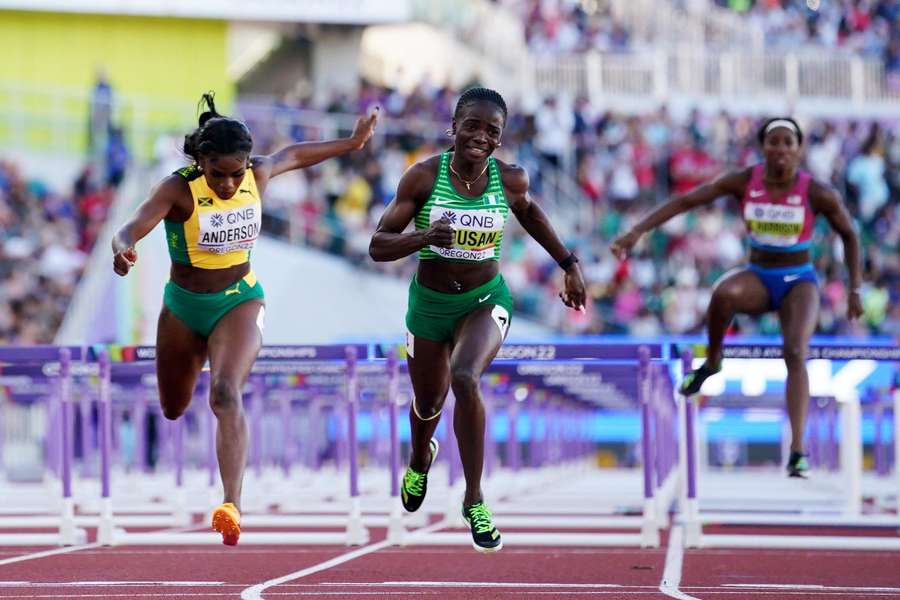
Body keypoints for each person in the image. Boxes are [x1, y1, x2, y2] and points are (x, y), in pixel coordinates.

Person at [112, 93, 377, 545]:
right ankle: (195, 384)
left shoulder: (258, 172)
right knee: (173, 408)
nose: (230, 184)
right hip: (183, 306)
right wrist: (122, 249)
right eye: (219, 175)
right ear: (201, 162)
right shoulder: (178, 189)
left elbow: (295, 154)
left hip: (239, 301)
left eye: (237, 174)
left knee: (225, 392)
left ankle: (231, 503)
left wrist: (351, 144)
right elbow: (131, 225)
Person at [369, 87, 586, 551]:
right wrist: (424, 236)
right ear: (454, 127)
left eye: (492, 130)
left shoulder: (511, 179)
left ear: (501, 138)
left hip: (486, 300)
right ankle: (419, 458)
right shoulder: (423, 178)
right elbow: (378, 245)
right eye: (472, 126)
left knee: (465, 377)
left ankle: (474, 499)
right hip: (429, 305)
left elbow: (531, 215)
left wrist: (569, 264)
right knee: (428, 402)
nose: (481, 137)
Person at [611, 117, 863, 478]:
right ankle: (713, 362)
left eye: (788, 142)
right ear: (763, 147)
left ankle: (797, 449)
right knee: (723, 292)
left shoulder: (817, 192)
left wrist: (854, 288)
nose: (780, 149)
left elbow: (851, 235)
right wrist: (637, 231)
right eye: (773, 141)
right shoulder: (745, 181)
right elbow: (687, 200)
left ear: (799, 149)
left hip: (799, 281)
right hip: (759, 277)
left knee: (794, 351)